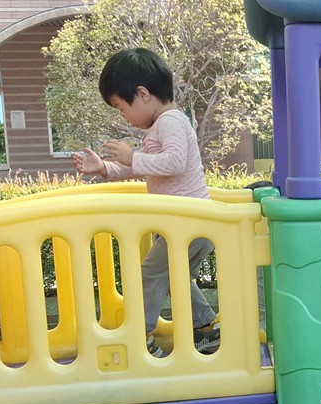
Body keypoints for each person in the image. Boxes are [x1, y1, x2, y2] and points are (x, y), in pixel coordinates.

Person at [72, 47, 219, 356]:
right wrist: (105, 168)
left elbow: (175, 162)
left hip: (188, 223)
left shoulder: (170, 121)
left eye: (120, 107)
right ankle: (206, 329)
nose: (123, 116)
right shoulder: (160, 126)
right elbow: (142, 168)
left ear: (142, 94)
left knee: (151, 274)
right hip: (187, 224)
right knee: (174, 277)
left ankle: (141, 338)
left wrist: (133, 157)